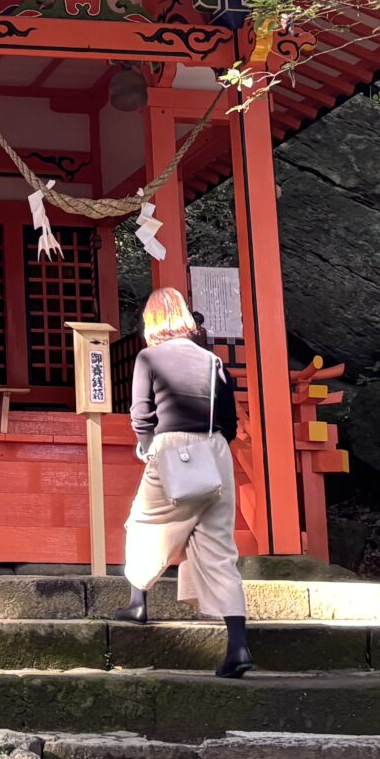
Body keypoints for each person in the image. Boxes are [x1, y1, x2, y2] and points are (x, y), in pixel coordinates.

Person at [119, 285, 249, 679]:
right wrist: (212, 447)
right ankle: (238, 645)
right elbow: (229, 419)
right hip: (216, 453)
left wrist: (147, 447)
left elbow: (142, 414)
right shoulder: (214, 362)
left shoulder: (149, 357)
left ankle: (137, 602)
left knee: (144, 521)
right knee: (220, 546)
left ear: (153, 321)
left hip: (173, 447)